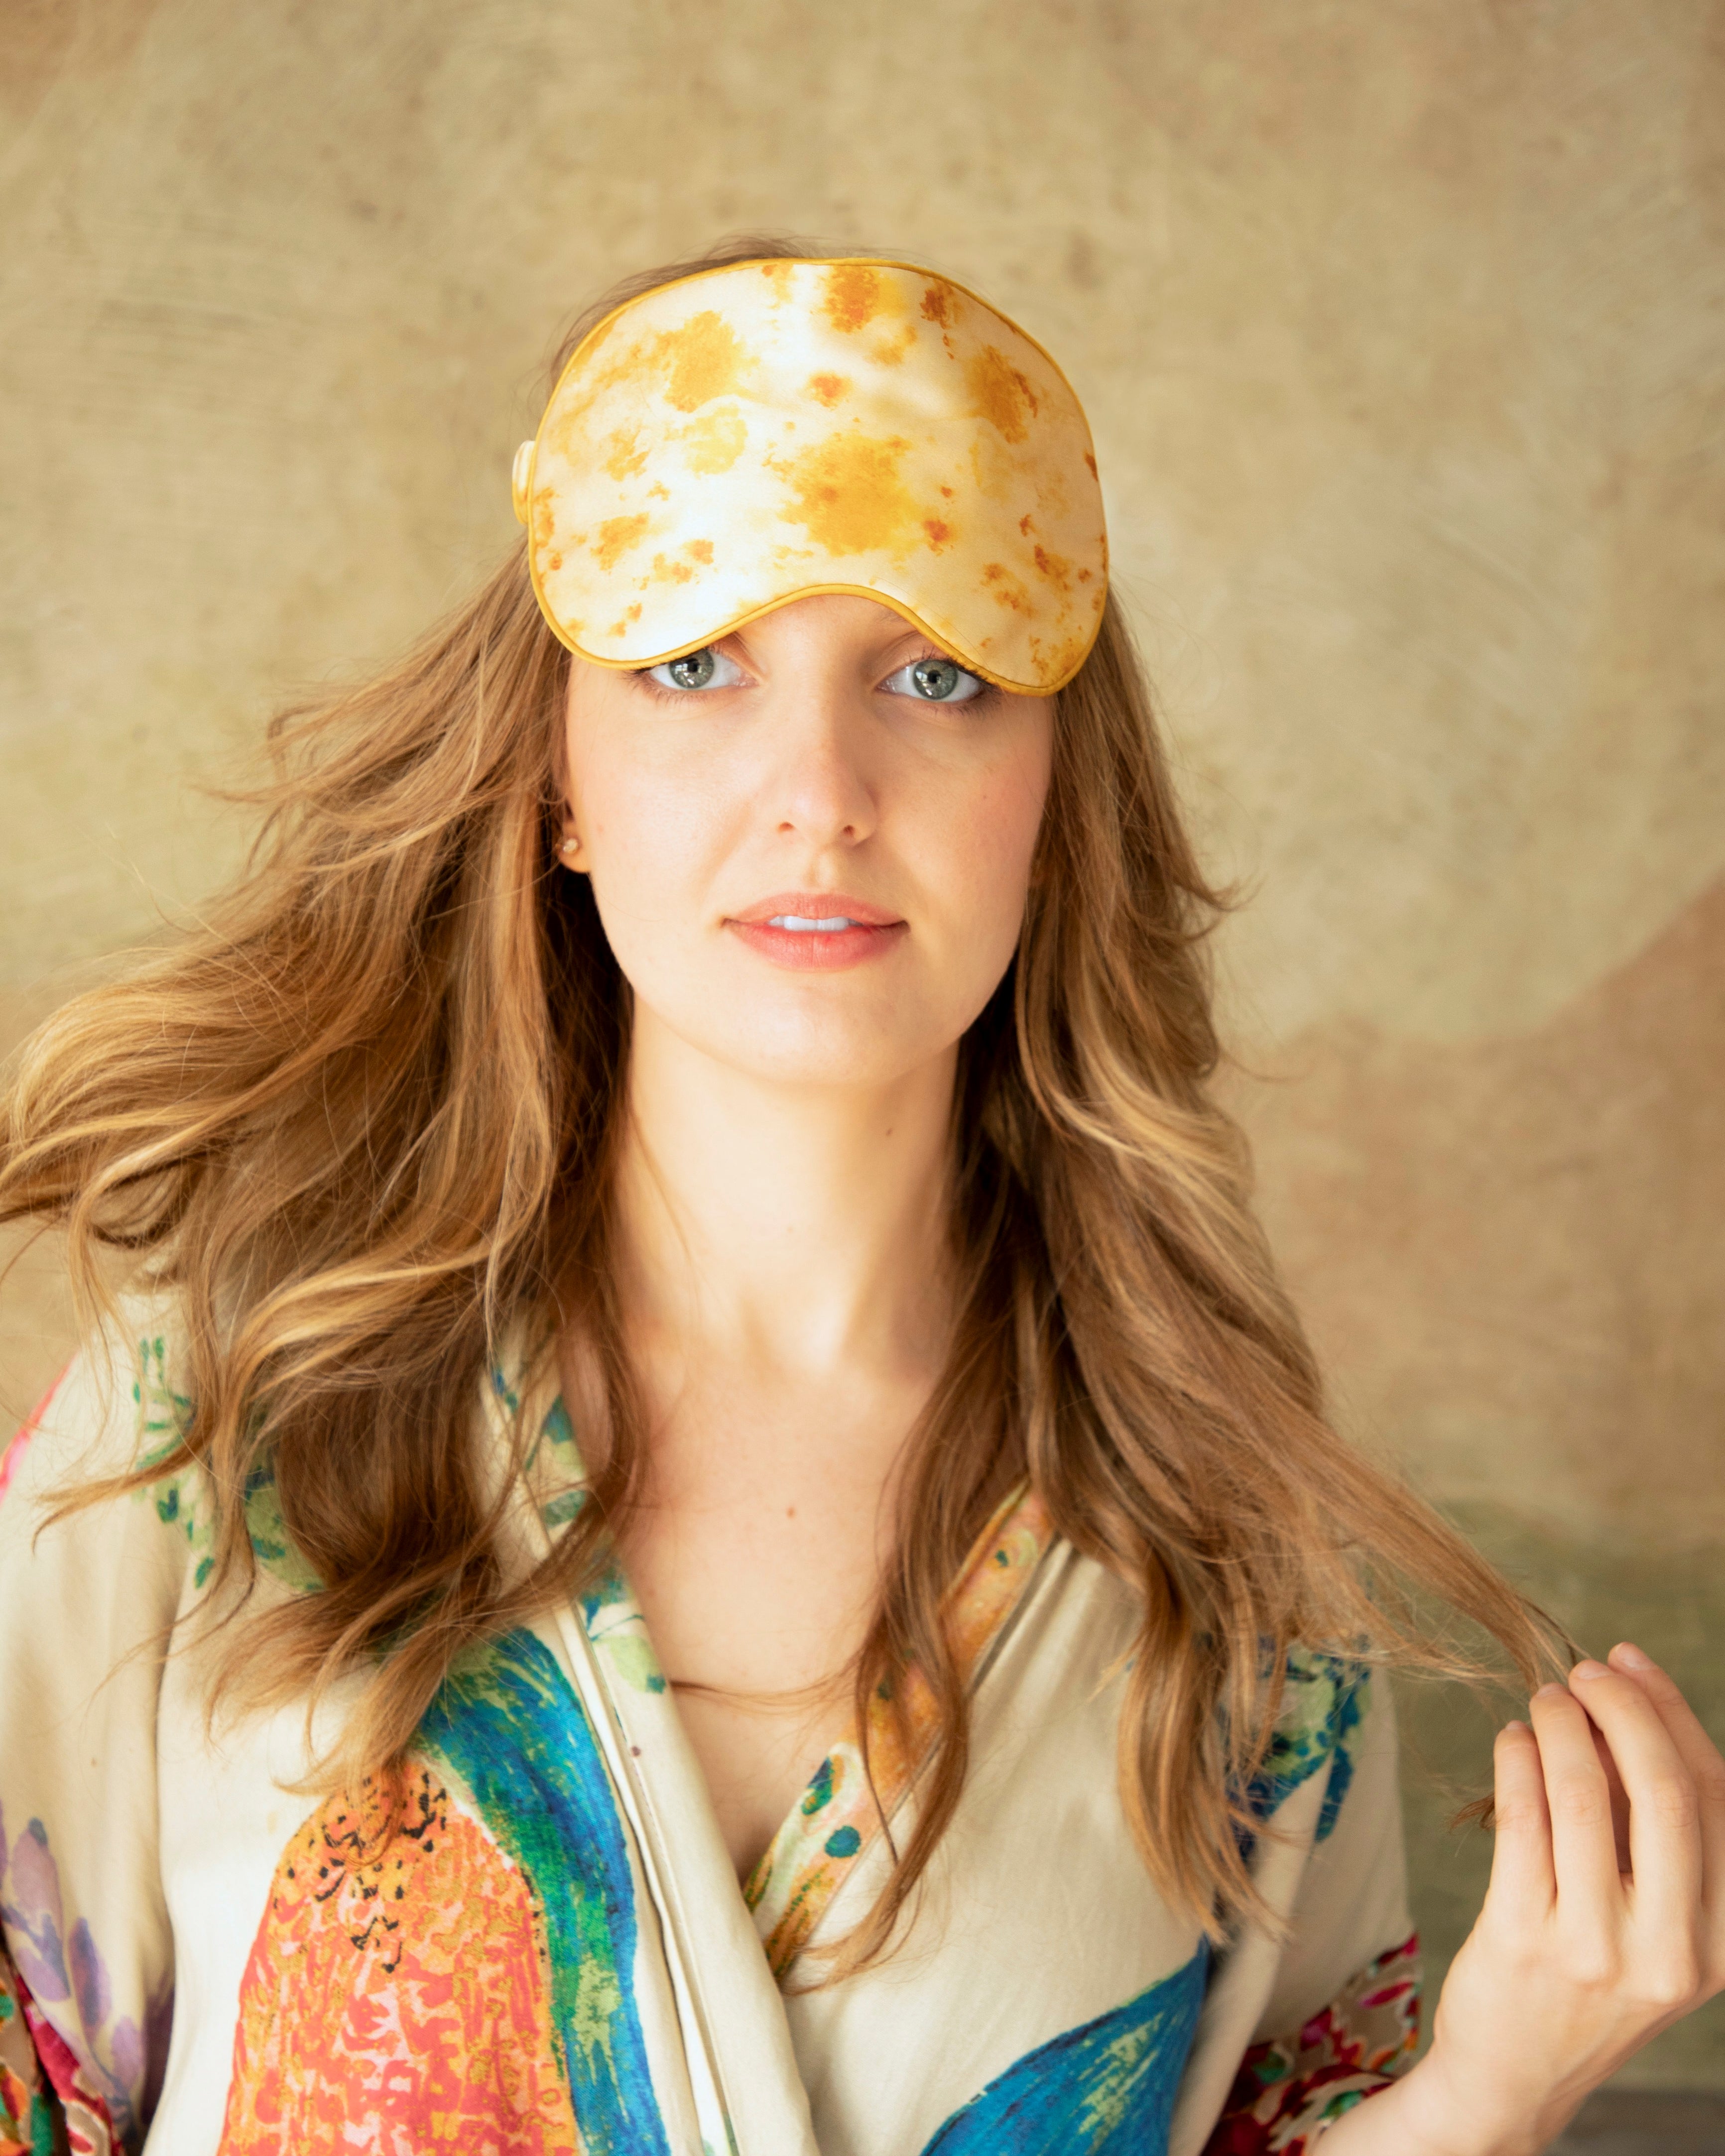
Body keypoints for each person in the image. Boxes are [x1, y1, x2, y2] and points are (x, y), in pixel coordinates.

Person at [0, 237, 1718, 2156]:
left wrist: (1490, 2091)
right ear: (560, 780)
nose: (819, 787)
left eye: (937, 672)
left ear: (1055, 791)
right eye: (692, 662)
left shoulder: (1222, 1551)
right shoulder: (212, 1421)